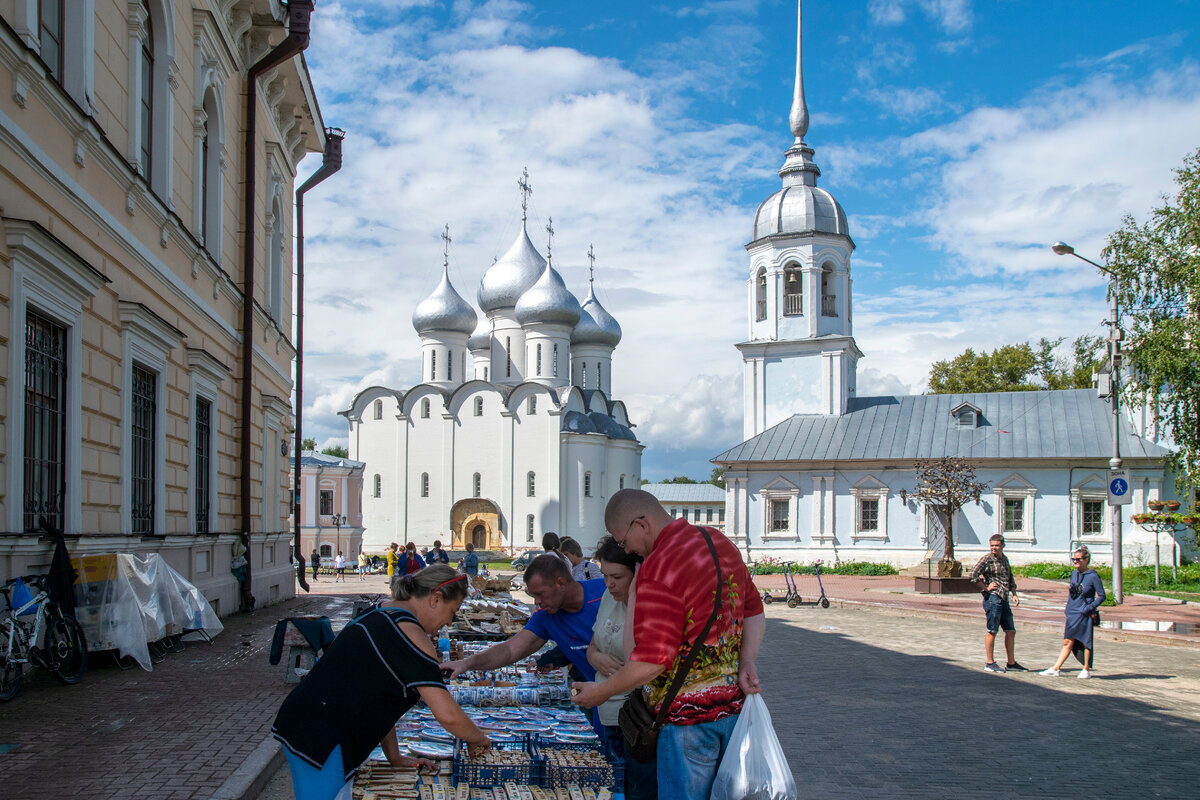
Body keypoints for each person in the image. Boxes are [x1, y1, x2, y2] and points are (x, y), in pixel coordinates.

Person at [570, 489, 764, 800]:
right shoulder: (719, 543)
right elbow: (754, 611)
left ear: (641, 525)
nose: (627, 550)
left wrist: (601, 692)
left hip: (685, 723)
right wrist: (747, 662)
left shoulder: (660, 566)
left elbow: (651, 661)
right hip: (732, 713)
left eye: (622, 541)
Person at [272, 565, 492, 800]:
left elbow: (378, 694)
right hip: (321, 736)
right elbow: (447, 714)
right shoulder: (411, 634)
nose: (449, 622)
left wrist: (394, 757)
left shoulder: (383, 611)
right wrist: (478, 737)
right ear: (436, 599)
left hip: (307, 722)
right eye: (452, 611)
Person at [443, 554, 606, 731]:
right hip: (604, 706)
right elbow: (509, 650)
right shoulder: (546, 617)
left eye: (540, 594)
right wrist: (466, 664)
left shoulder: (605, 592)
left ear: (561, 583)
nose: (536, 602)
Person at [587, 535, 657, 800]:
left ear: (637, 572)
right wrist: (596, 659)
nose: (609, 584)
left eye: (617, 576)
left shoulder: (647, 604)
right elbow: (593, 646)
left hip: (638, 721)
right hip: (609, 714)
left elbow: (636, 658)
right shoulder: (608, 596)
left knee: (638, 789)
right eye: (605, 575)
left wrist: (635, 594)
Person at [1040, 546, 1106, 679]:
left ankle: (1086, 669)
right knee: (1067, 641)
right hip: (1072, 612)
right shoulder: (1074, 574)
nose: (1075, 561)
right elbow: (1073, 593)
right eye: (1073, 559)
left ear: (1086, 560)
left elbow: (1102, 596)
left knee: (1085, 641)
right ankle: (1056, 668)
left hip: (1083, 613)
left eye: (1078, 559)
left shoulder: (1093, 576)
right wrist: (1068, 608)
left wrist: (1088, 608)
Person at [968, 534, 1027, 673]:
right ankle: (990, 662)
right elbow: (972, 575)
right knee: (992, 630)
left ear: (1003, 545)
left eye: (997, 545)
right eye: (992, 545)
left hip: (1004, 598)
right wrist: (985, 588)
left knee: (1011, 631)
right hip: (993, 599)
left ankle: (1011, 663)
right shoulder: (987, 559)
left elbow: (1009, 577)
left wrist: (1014, 593)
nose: (994, 548)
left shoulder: (1004, 559)